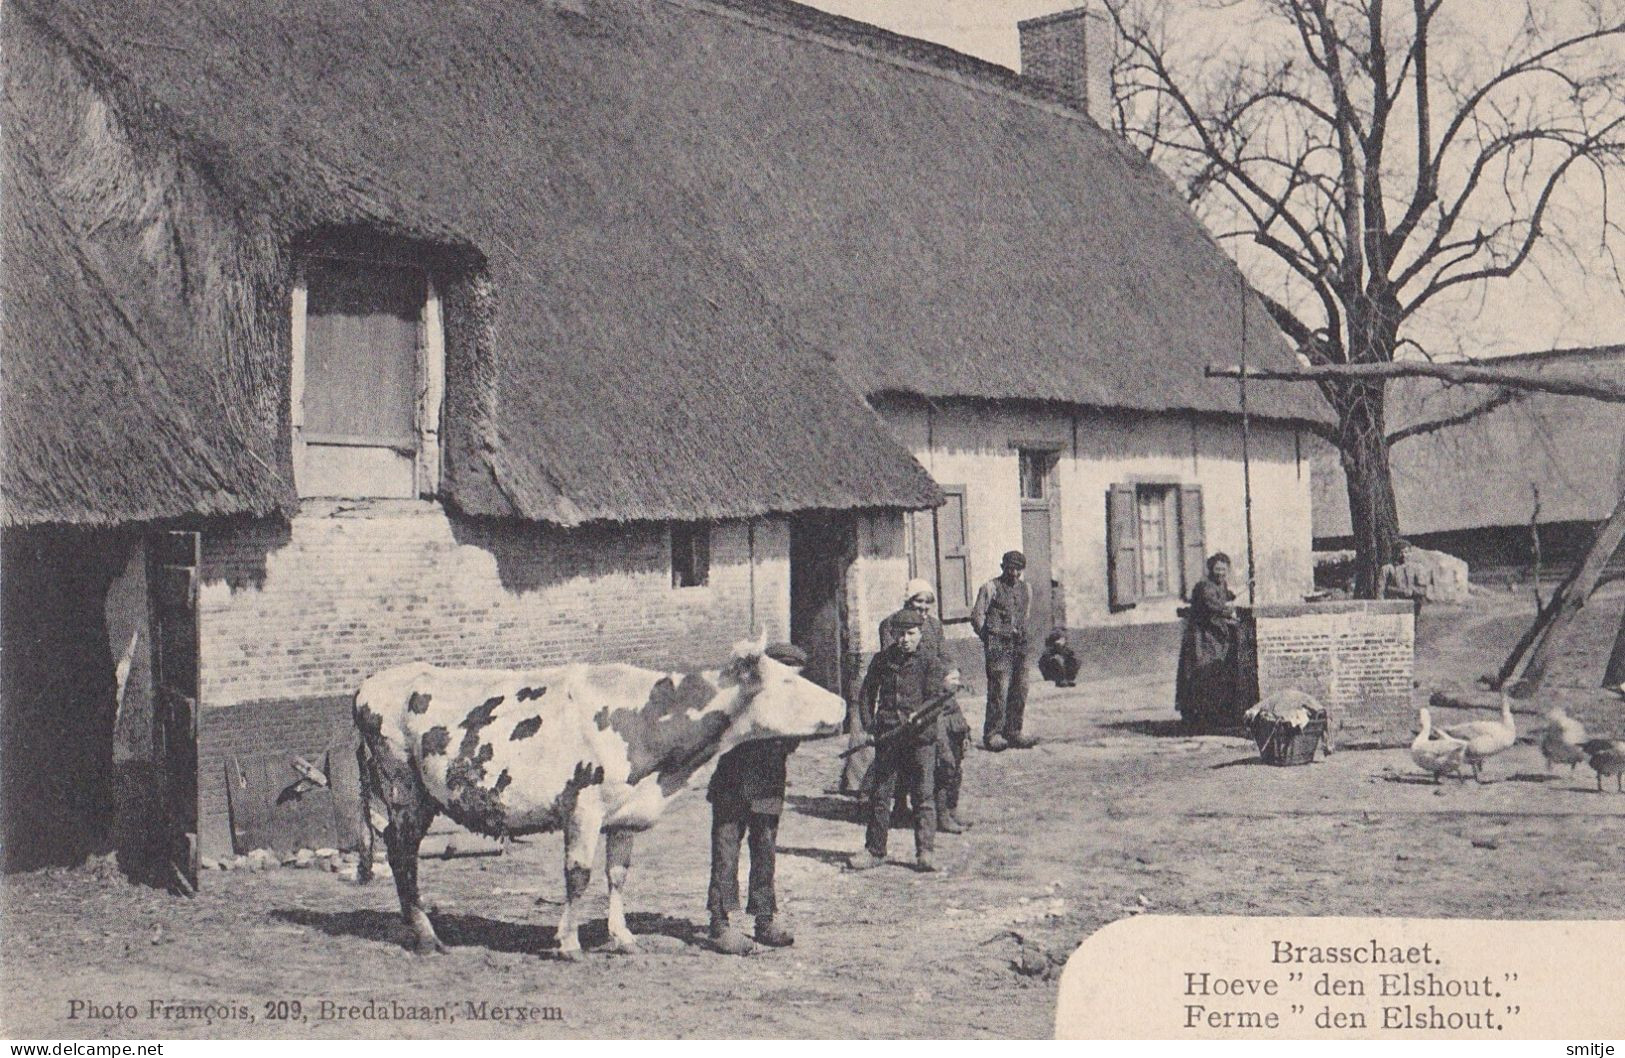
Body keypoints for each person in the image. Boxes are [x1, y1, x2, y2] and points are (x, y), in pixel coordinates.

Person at [705, 641, 805, 955]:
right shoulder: (740, 697)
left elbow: (792, 743)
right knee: (725, 852)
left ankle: (764, 920)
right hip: (731, 785)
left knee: (765, 853)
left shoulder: (794, 705)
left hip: (768, 786)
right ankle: (719, 925)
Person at [847, 609, 950, 873]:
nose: (905, 639)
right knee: (881, 796)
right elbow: (867, 693)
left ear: (920, 634)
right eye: (900, 634)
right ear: (893, 635)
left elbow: (936, 701)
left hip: (920, 739)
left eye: (911, 634)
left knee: (923, 795)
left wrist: (921, 715)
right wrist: (870, 726)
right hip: (889, 736)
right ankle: (875, 850)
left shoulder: (930, 662)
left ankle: (925, 852)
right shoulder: (883, 660)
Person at [879, 579, 970, 833]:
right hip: (909, 699)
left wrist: (951, 672)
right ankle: (900, 808)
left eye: (928, 604)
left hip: (936, 695)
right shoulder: (891, 625)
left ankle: (945, 809)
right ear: (907, 601)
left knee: (950, 749)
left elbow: (944, 654)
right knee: (908, 757)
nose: (923, 610)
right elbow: (894, 661)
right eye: (918, 603)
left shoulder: (934, 625)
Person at [971, 550, 1036, 751]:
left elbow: (1025, 615)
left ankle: (1014, 731)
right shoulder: (990, 588)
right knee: (1000, 689)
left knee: (1021, 688)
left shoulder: (1027, 589)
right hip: (998, 647)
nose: (1015, 573)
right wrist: (990, 638)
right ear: (1002, 567)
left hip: (1020, 646)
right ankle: (993, 734)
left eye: (1019, 569)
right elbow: (977, 617)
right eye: (1011, 568)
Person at [1175, 552, 1240, 729]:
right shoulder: (1203, 587)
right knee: (1201, 674)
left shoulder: (1221, 585)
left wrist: (1231, 596)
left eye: (1224, 570)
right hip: (1200, 638)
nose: (1220, 573)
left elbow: (1224, 595)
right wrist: (1229, 611)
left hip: (1214, 637)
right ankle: (1197, 717)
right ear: (1210, 569)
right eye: (1217, 569)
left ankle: (1212, 716)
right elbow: (1212, 604)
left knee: (1215, 674)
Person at [1378, 541, 1428, 620]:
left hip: (1412, 607)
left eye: (1406, 552)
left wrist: (1412, 591)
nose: (1404, 555)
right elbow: (1380, 591)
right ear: (1394, 553)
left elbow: (1423, 589)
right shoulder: (1387, 569)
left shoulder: (1417, 568)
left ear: (1410, 553)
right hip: (1393, 608)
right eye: (1400, 553)